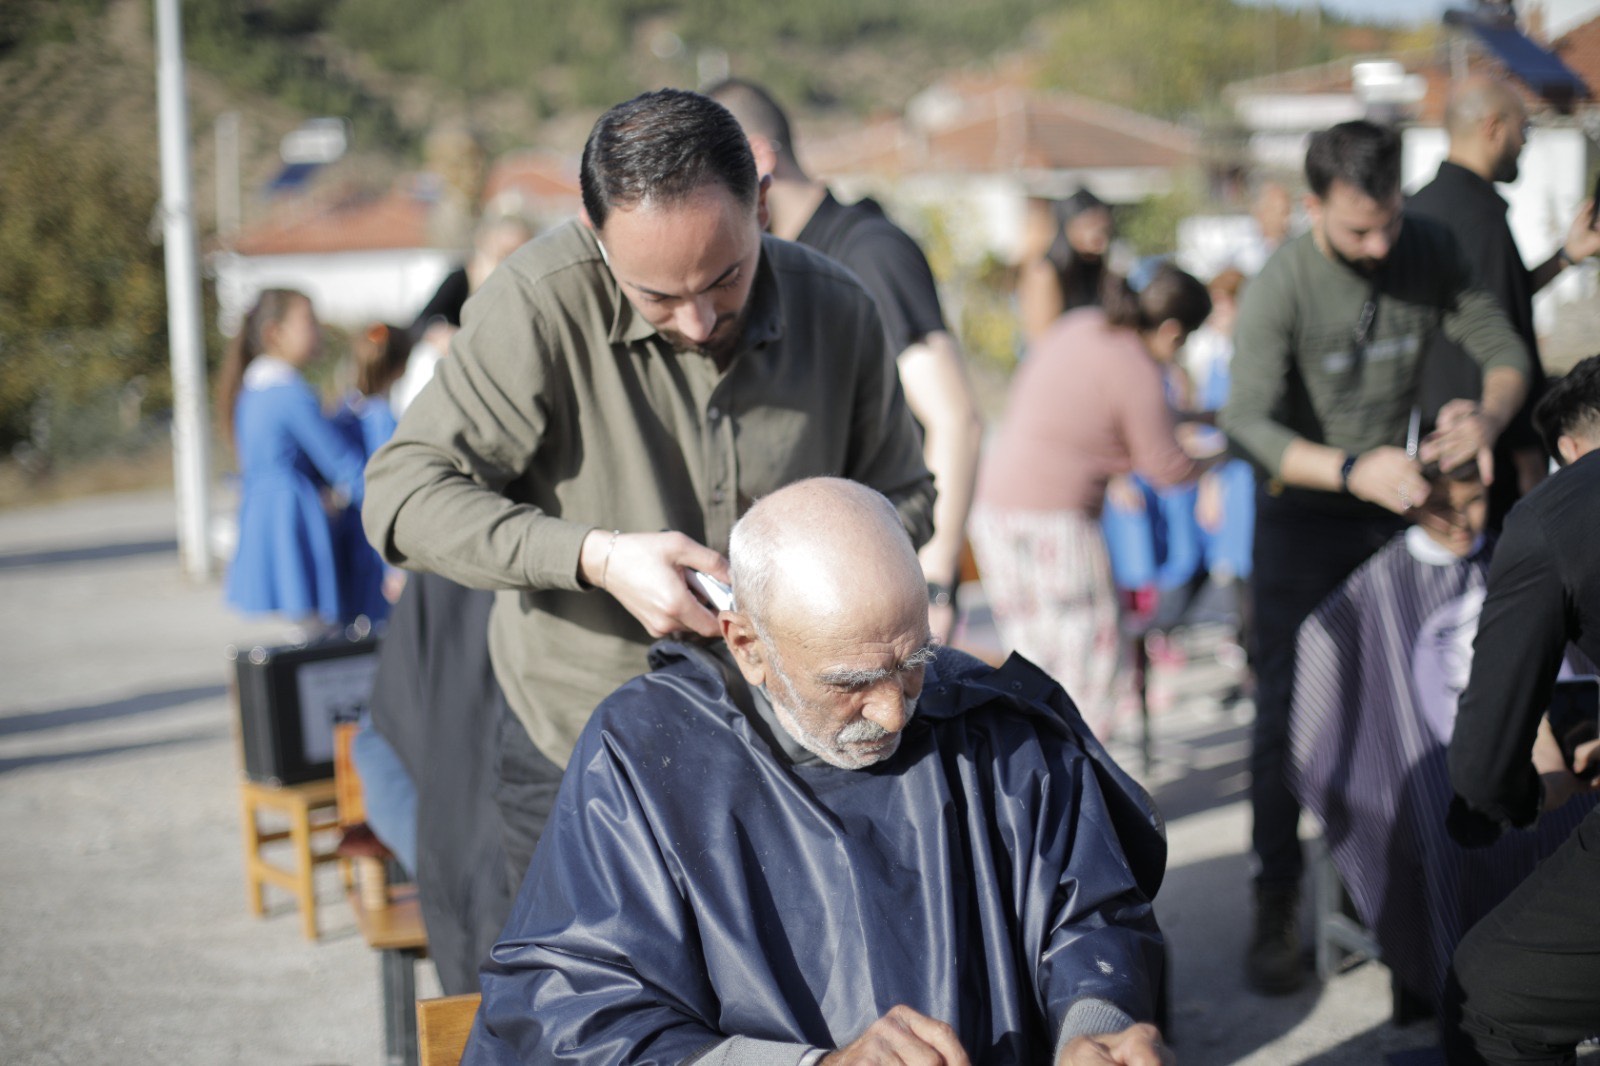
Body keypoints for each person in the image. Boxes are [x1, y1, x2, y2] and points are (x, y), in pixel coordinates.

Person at [362, 90, 935, 949]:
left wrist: (820, 566)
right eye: (658, 298)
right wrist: (595, 556)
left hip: (785, 753)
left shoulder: (841, 308)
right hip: (577, 750)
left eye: (727, 277)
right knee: (594, 1016)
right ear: (596, 240)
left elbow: (907, 497)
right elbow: (401, 496)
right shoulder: (537, 306)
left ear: (765, 203)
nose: (700, 321)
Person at [465, 478, 1172, 1066]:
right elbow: (571, 1014)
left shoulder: (991, 723)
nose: (895, 713)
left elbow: (1090, 915)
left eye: (915, 661)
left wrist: (1093, 1026)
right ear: (749, 646)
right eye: (854, 682)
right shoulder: (646, 759)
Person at [1219, 118, 1529, 995]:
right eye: (1360, 229)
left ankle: (1404, 881)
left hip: (1396, 502)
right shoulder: (1283, 284)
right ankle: (1276, 898)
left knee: (1415, 695)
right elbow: (1245, 423)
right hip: (1304, 512)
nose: (1381, 242)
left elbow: (1504, 347)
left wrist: (1488, 419)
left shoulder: (1424, 246)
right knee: (1286, 708)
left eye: (1390, 219)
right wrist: (1351, 469)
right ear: (1314, 207)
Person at [1288, 459, 1596, 1015]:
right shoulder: (1372, 590)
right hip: (1425, 759)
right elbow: (1323, 691)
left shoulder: (1523, 554)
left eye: (1474, 500)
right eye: (1442, 506)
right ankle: (1458, 1001)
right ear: (1410, 499)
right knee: (1440, 825)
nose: (1461, 520)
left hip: (1534, 748)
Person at [706, 78, 983, 643]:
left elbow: (955, 419)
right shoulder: (786, 263)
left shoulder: (868, 252)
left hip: (889, 582)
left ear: (758, 158)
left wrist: (935, 580)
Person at [969, 262, 1218, 738]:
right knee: (1091, 668)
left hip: (996, 515)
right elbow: (1166, 467)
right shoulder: (1137, 366)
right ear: (1170, 330)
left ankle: (1039, 782)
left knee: (1035, 663)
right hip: (1056, 528)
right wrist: (1226, 454)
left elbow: (1126, 415)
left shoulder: (1082, 324)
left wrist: (1206, 415)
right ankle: (1084, 787)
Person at [1442, 354, 1600, 1066]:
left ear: (1567, 448)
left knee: (1489, 1002)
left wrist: (1525, 798)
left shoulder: (1553, 517)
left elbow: (1483, 766)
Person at [1407, 76, 1600, 528]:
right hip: (1486, 454)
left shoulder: (1424, 205)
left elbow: (1486, 306)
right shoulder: (1479, 219)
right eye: (1524, 129)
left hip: (1441, 441)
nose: (1525, 143)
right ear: (1494, 127)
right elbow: (1499, 341)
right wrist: (1526, 449)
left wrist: (1566, 257)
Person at [218, 288, 371, 633]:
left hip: (263, 520)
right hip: (292, 522)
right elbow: (343, 464)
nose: (318, 331)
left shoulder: (253, 389)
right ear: (275, 333)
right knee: (312, 639)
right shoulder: (287, 392)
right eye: (308, 322)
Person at [390, 213, 535, 416]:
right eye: (505, 252)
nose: (511, 260)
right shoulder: (462, 279)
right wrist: (441, 333)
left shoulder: (527, 289)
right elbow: (420, 322)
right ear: (487, 244)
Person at [1018, 188, 1117, 343]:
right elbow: (1042, 339)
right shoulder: (1045, 273)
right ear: (1069, 225)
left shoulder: (1096, 270)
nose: (1100, 239)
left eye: (1104, 230)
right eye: (1091, 227)